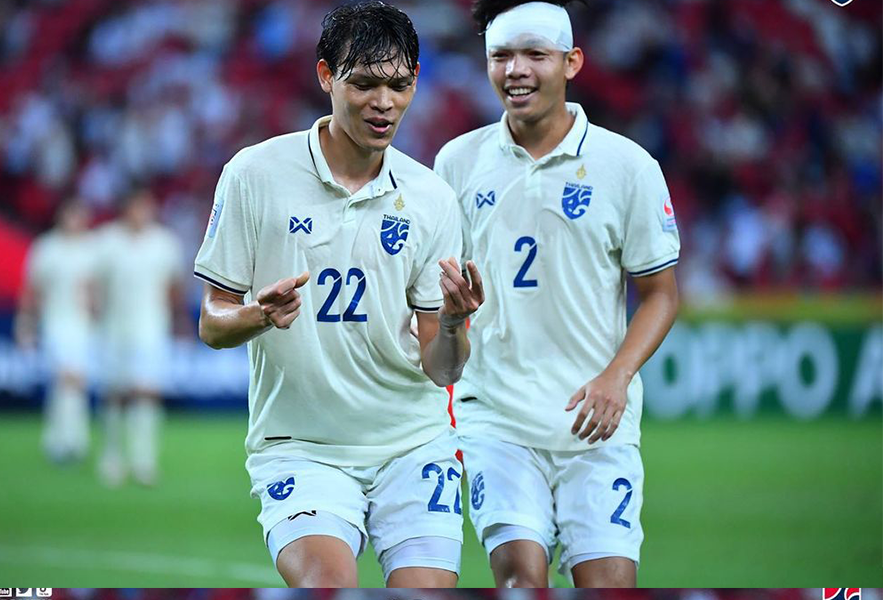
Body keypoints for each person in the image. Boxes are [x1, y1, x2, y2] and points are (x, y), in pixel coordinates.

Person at [194, 0, 484, 588]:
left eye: (399, 85)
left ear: (416, 82)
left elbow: (441, 369)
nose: (384, 103)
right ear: (326, 76)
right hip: (302, 447)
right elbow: (212, 323)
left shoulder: (431, 199)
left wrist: (453, 324)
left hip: (412, 444)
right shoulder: (254, 175)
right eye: (365, 84)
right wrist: (257, 315)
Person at [434, 0, 681, 588]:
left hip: (596, 422)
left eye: (534, 55)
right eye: (501, 56)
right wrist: (450, 312)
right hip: (497, 418)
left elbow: (661, 293)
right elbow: (434, 291)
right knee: (521, 578)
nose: (516, 69)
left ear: (571, 62)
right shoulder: (456, 162)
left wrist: (617, 376)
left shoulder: (628, 166)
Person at [96, 188, 184, 487]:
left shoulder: (164, 243)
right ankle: (112, 457)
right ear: (125, 209)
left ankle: (144, 461)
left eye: (146, 206)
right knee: (115, 393)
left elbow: (174, 287)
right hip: (114, 328)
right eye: (136, 206)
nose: (142, 212)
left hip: (151, 328)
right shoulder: (107, 242)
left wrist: (179, 322)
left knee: (147, 391)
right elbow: (96, 287)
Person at [16, 199, 97, 464]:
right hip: (55, 323)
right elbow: (33, 290)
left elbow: (98, 291)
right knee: (64, 379)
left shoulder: (92, 250)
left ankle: (64, 440)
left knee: (75, 383)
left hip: (84, 326)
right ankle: (67, 441)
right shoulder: (46, 248)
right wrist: (26, 323)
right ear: (61, 216)